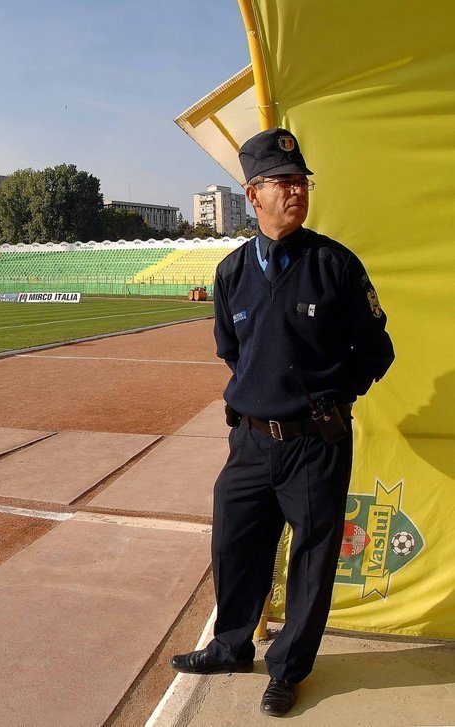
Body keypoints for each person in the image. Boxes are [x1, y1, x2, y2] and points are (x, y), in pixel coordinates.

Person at [170, 127, 395, 717]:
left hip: (315, 444)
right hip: (249, 442)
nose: (297, 192)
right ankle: (230, 646)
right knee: (235, 545)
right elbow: (232, 350)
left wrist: (330, 398)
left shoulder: (336, 265)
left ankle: (289, 667)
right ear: (254, 194)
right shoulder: (231, 272)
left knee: (312, 561)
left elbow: (376, 352)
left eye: (302, 182)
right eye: (284, 183)